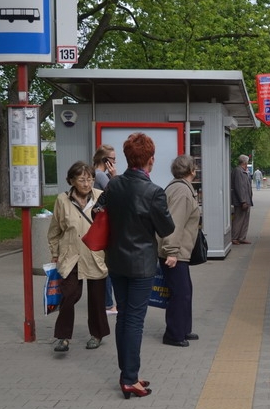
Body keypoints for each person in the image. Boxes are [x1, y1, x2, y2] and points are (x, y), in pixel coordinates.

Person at [95, 132, 175, 399]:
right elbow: (166, 228)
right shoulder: (154, 192)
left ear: (128, 158)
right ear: (150, 159)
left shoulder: (113, 185)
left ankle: (127, 373)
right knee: (135, 321)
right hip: (141, 265)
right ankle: (129, 378)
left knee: (124, 318)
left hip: (116, 262)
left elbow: (97, 211)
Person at [47, 161, 110, 353]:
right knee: (69, 295)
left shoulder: (101, 197)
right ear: (72, 180)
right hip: (71, 255)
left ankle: (97, 334)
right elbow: (55, 230)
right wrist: (55, 253)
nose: (87, 183)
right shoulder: (62, 200)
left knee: (97, 299)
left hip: (95, 254)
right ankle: (63, 337)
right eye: (82, 179)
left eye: (90, 179)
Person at [157, 155, 201, 347]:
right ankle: (174, 335)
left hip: (178, 251)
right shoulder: (182, 191)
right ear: (192, 170)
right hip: (175, 252)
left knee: (184, 291)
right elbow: (174, 223)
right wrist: (172, 251)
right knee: (180, 293)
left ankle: (183, 329)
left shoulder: (177, 187)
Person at [92, 145, 118, 316]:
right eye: (113, 159)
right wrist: (114, 175)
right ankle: (108, 304)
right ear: (106, 161)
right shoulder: (101, 175)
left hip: (97, 222)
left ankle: (107, 302)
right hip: (103, 223)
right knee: (106, 265)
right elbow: (117, 190)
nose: (115, 162)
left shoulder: (96, 174)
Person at [230, 154, 253, 245]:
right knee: (239, 219)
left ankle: (242, 237)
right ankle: (235, 237)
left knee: (245, 219)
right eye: (247, 162)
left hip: (247, 200)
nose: (247, 164)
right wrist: (243, 201)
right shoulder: (238, 171)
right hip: (241, 201)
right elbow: (239, 187)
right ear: (244, 162)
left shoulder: (244, 171)